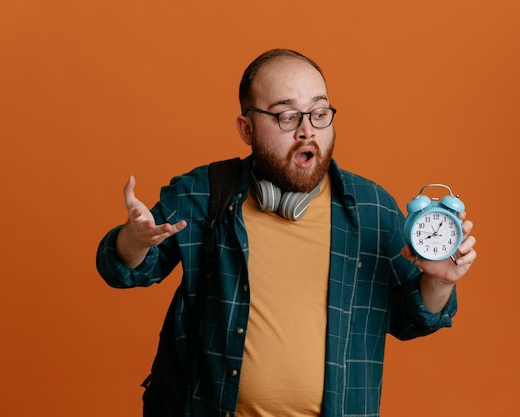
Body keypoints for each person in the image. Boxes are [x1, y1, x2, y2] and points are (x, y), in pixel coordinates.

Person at [96, 48, 477, 417]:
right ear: (247, 129)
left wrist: (438, 283)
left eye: (319, 112)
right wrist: (134, 239)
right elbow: (124, 271)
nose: (307, 130)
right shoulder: (203, 194)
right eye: (286, 116)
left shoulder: (372, 207)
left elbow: (411, 319)